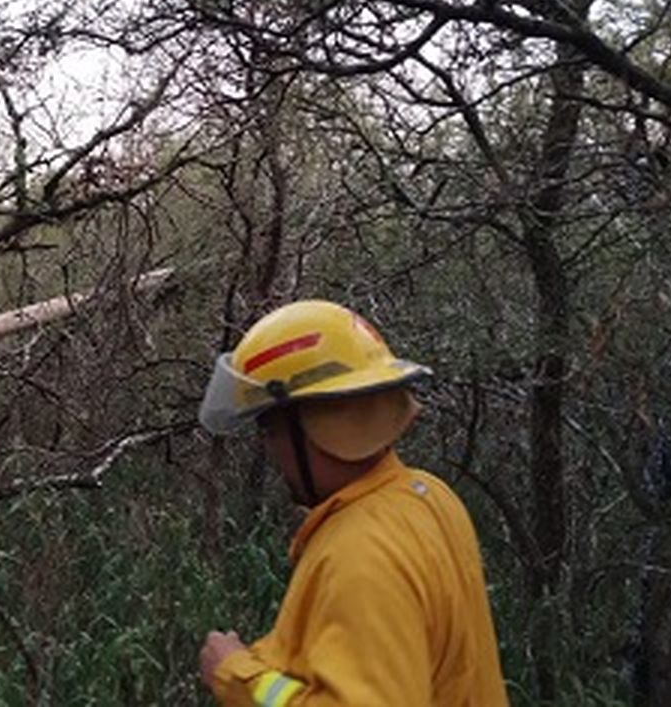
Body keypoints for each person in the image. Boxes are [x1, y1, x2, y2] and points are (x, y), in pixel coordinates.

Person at [195, 299, 508, 707]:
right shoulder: (429, 497)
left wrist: (237, 674)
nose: (269, 450)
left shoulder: (359, 552)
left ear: (311, 423)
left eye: (269, 429)